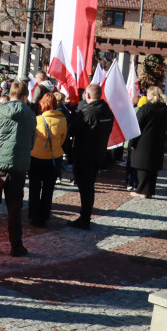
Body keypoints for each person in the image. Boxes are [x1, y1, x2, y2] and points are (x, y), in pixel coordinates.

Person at [0, 81, 36, 256]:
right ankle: (16, 245)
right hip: (18, 166)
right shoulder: (30, 115)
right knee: (14, 207)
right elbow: (32, 141)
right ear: (25, 96)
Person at [67, 83, 116, 230]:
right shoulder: (107, 110)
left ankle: (85, 218)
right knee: (89, 186)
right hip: (98, 153)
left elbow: (73, 130)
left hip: (84, 154)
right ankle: (85, 216)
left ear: (88, 95)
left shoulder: (88, 112)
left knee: (85, 187)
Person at [130, 86, 167, 199]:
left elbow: (137, 126)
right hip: (158, 141)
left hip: (144, 141)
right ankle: (149, 191)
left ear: (151, 95)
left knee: (143, 168)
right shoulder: (164, 110)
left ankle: (141, 191)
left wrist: (132, 142)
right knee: (152, 168)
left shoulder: (146, 108)